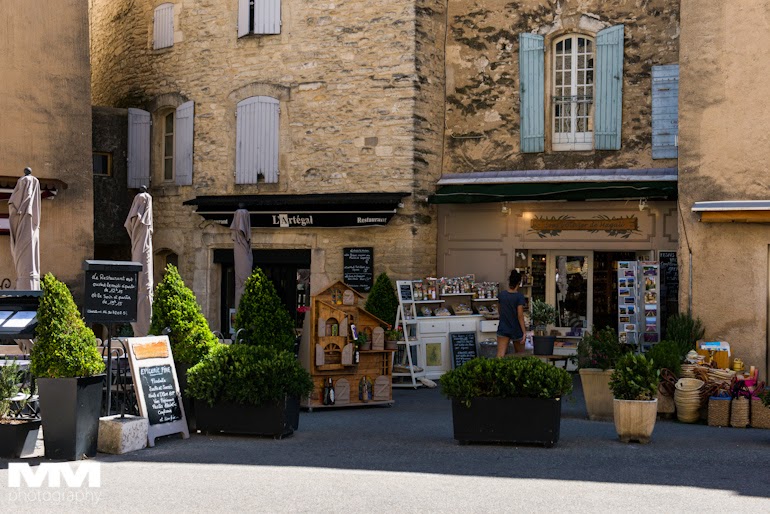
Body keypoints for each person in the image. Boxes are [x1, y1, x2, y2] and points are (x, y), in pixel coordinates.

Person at [496, 269, 527, 357]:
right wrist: (524, 332)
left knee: (500, 355)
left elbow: (499, 310)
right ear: (519, 283)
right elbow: (520, 315)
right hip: (516, 328)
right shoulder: (519, 297)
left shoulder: (502, 295)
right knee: (521, 355)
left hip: (503, 327)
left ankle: (496, 370)